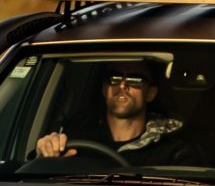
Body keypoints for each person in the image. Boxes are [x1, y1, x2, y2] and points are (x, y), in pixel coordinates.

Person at [35, 60, 187, 160]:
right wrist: (45, 151)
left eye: (135, 80)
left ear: (150, 93)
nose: (122, 86)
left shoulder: (174, 152)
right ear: (104, 89)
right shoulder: (73, 143)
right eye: (114, 78)